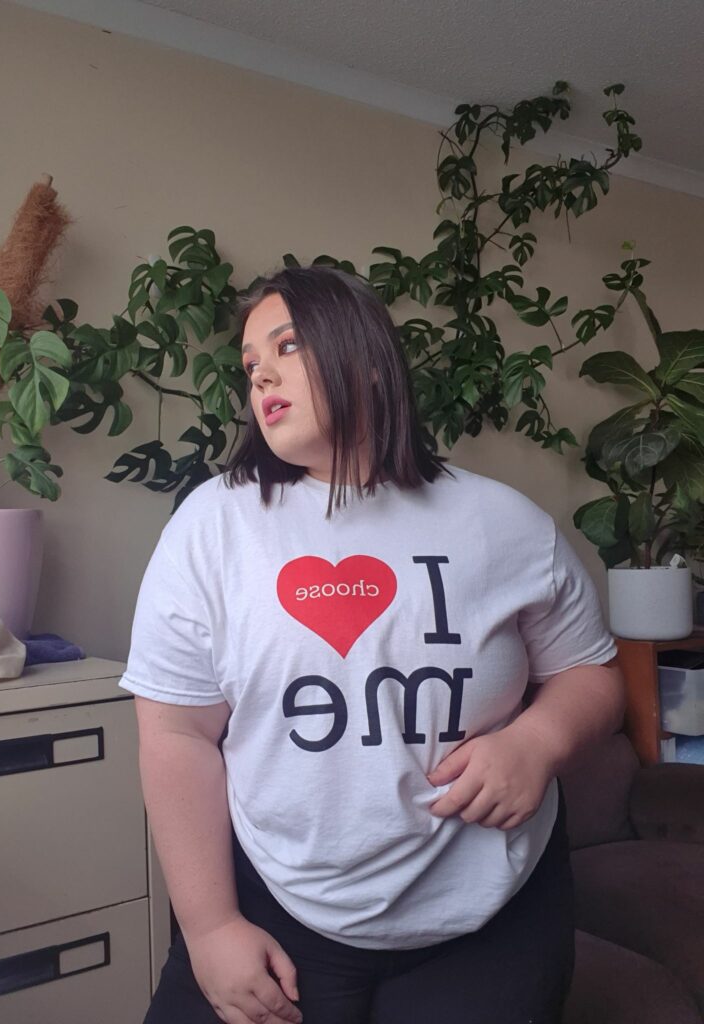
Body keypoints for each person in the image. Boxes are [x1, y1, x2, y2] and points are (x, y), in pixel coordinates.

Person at [120, 266, 625, 1024]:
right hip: (275, 906)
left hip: (493, 916)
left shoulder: (505, 523)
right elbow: (175, 733)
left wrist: (539, 742)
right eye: (251, 365)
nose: (262, 377)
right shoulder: (212, 527)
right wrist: (210, 927)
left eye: (288, 346)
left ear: (365, 356)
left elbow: (592, 672)